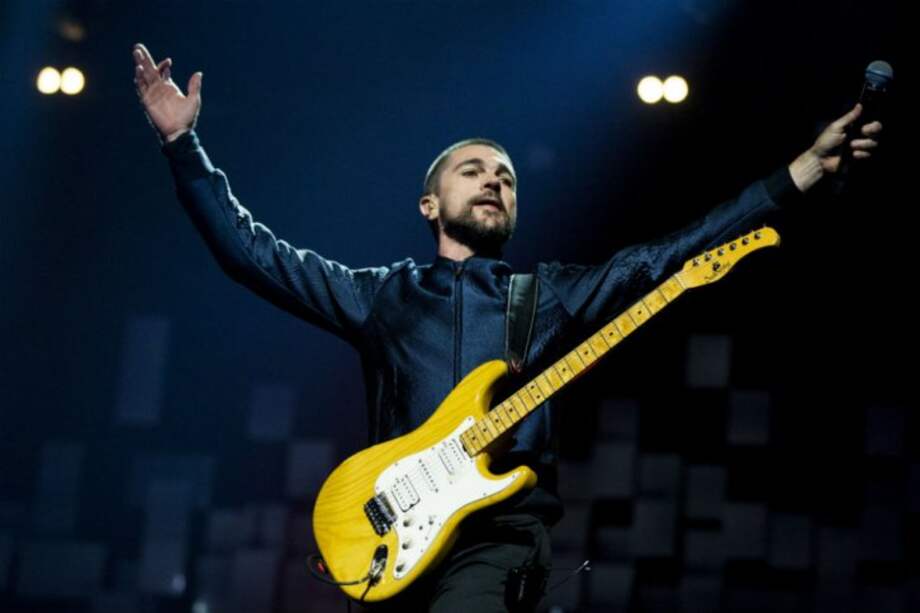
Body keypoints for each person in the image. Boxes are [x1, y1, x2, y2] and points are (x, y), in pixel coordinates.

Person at [132, 43, 881, 612]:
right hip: (391, 537)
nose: (494, 178)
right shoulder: (381, 295)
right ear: (430, 204)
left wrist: (795, 180)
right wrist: (182, 147)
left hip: (499, 540)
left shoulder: (547, 297)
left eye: (507, 176)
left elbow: (666, 259)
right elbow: (251, 255)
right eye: (474, 170)